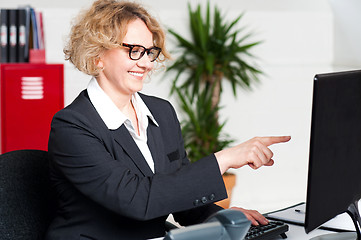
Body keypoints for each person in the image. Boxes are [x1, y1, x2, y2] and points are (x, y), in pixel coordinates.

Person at [45, 0, 291, 239]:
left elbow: (182, 200)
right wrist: (224, 159)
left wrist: (223, 217)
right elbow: (138, 199)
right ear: (98, 54)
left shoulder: (161, 112)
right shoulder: (72, 127)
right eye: (134, 51)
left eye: (150, 52)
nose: (146, 63)